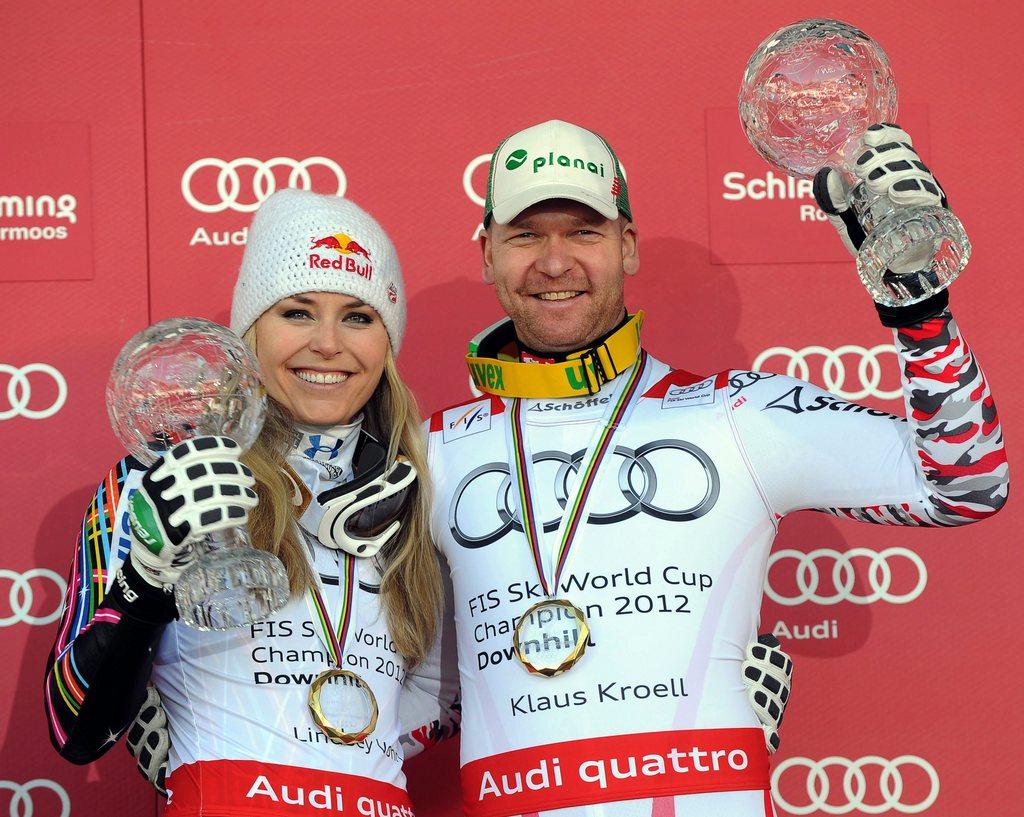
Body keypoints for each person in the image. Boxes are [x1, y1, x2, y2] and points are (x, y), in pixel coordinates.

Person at [423, 120, 1008, 817]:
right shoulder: (429, 454)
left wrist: (920, 311)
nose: (555, 263)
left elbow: (965, 482)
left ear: (626, 246)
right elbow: (409, 692)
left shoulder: (735, 413)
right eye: (525, 235)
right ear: (488, 253)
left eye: (584, 232)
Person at [44, 190, 461, 815]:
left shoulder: (424, 488)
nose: (327, 343)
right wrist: (148, 585)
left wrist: (346, 754)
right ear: (249, 333)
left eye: (357, 316)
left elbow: (445, 684)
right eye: (296, 312)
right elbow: (72, 730)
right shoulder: (161, 478)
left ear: (387, 340)